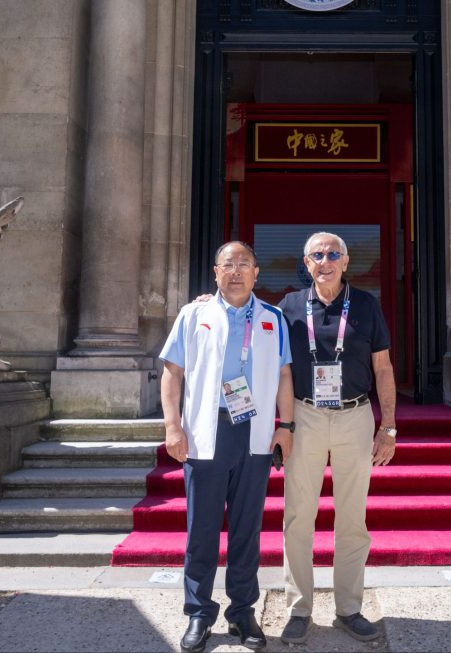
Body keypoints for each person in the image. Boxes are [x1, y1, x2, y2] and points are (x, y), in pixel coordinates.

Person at [159, 241, 295, 653]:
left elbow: (286, 376)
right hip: (205, 433)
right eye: (227, 265)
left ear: (257, 273)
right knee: (201, 530)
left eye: (244, 264)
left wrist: (285, 426)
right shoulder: (193, 314)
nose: (236, 271)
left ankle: (242, 612)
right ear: (215, 272)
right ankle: (199, 613)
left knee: (246, 530)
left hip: (252, 433)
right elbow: (172, 373)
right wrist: (172, 426)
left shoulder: (273, 318)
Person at [276, 232, 397, 644]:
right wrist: (207, 301)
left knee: (351, 518)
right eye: (316, 255)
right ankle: (299, 608)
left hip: (355, 416)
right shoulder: (289, 306)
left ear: (345, 262)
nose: (324, 261)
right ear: (306, 263)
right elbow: (258, 340)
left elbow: (383, 368)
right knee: (298, 516)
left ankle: (349, 608)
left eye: (333, 254)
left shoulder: (366, 305)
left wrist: (389, 427)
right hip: (306, 415)